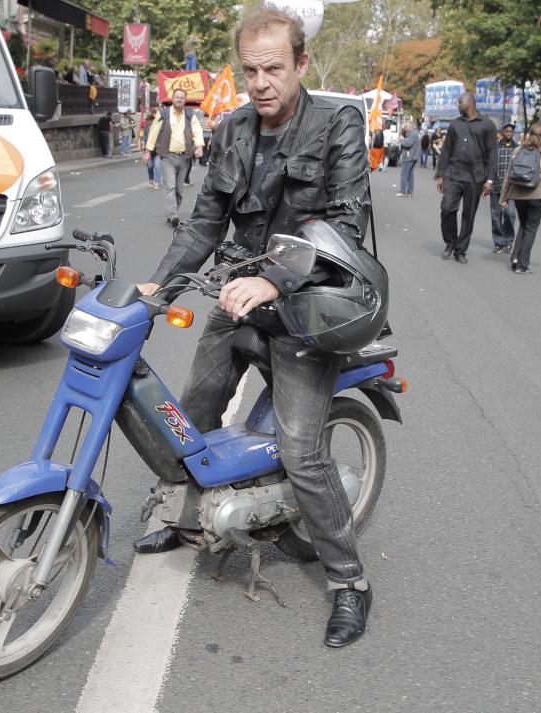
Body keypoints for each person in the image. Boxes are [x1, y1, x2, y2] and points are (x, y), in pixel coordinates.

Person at [131, 7, 376, 648]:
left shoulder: (338, 123)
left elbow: (345, 229)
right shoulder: (234, 128)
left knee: (301, 449)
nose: (261, 82)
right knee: (189, 415)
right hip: (239, 300)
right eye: (250, 70)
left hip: (307, 309)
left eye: (274, 67)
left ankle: (349, 580)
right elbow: (205, 220)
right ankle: (187, 519)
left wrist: (275, 280)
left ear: (300, 63)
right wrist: (159, 287)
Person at [435, 91, 497, 264]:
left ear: (470, 103)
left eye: (459, 101)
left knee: (469, 215)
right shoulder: (455, 124)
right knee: (447, 208)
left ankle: (460, 250)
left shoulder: (487, 125)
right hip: (454, 174)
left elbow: (492, 154)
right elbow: (446, 150)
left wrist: (490, 180)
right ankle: (450, 242)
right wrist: (441, 175)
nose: (457, 104)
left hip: (475, 177)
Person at [499, 122, 541, 274]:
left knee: (523, 224)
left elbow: (508, 176)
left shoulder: (517, 150)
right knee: (531, 228)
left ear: (528, 133)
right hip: (538, 194)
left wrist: (504, 197)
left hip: (519, 194)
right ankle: (522, 264)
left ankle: (515, 257)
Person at [143, 88, 204, 226]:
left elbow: (197, 130)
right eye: (177, 97)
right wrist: (147, 151)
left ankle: (174, 210)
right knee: (170, 185)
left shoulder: (189, 115)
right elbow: (153, 132)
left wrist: (199, 146)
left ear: (185, 100)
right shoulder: (163, 114)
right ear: (172, 98)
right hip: (167, 156)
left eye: (182, 97)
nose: (179, 99)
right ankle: (173, 214)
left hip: (184, 157)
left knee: (179, 189)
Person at [490, 123, 518, 253]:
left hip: (512, 188)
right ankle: (498, 242)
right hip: (496, 186)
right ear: (502, 132)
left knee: (510, 214)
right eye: (506, 131)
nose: (509, 133)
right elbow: (489, 165)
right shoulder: (495, 147)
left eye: (511, 131)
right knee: (496, 215)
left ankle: (508, 241)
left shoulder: (517, 148)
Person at [396, 120, 420, 197]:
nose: (405, 128)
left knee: (404, 174)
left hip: (409, 157)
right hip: (412, 156)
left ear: (410, 126)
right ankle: (409, 192)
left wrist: (401, 140)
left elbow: (408, 144)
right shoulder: (412, 133)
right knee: (410, 175)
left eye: (406, 126)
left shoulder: (413, 134)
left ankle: (403, 191)